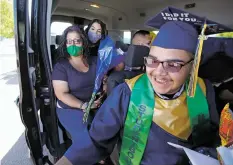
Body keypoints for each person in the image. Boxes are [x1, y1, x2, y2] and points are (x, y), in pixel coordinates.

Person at [55, 21, 220, 165]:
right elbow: (96, 139)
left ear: (192, 67)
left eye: (173, 64)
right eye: (153, 61)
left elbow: (213, 137)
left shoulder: (204, 89)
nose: (159, 72)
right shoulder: (127, 93)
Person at [52, 25, 102, 143]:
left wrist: (102, 92)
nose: (73, 44)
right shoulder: (61, 66)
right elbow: (62, 94)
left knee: (107, 129)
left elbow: (103, 80)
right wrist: (84, 106)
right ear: (65, 44)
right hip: (71, 108)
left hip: (94, 105)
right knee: (86, 138)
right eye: (69, 41)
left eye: (77, 41)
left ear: (84, 43)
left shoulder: (95, 61)